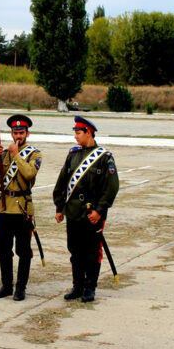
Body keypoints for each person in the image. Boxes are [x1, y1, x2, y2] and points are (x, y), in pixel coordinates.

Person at [53, 116, 119, 302]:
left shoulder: (104, 157)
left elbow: (111, 187)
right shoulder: (73, 155)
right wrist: (59, 207)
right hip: (73, 211)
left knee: (92, 252)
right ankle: (78, 286)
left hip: (92, 214)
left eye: (78, 132)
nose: (75, 136)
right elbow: (62, 182)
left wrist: (99, 210)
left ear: (88, 133)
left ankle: (90, 288)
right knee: (75, 250)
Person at [0, 114, 42, 301]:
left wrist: (16, 154)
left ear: (27, 133)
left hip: (22, 208)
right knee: (2, 248)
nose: (18, 136)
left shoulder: (34, 153)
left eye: (21, 132)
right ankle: (7, 285)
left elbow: (29, 173)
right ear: (11, 133)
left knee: (23, 250)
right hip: (4, 207)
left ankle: (21, 287)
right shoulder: (3, 153)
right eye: (15, 132)